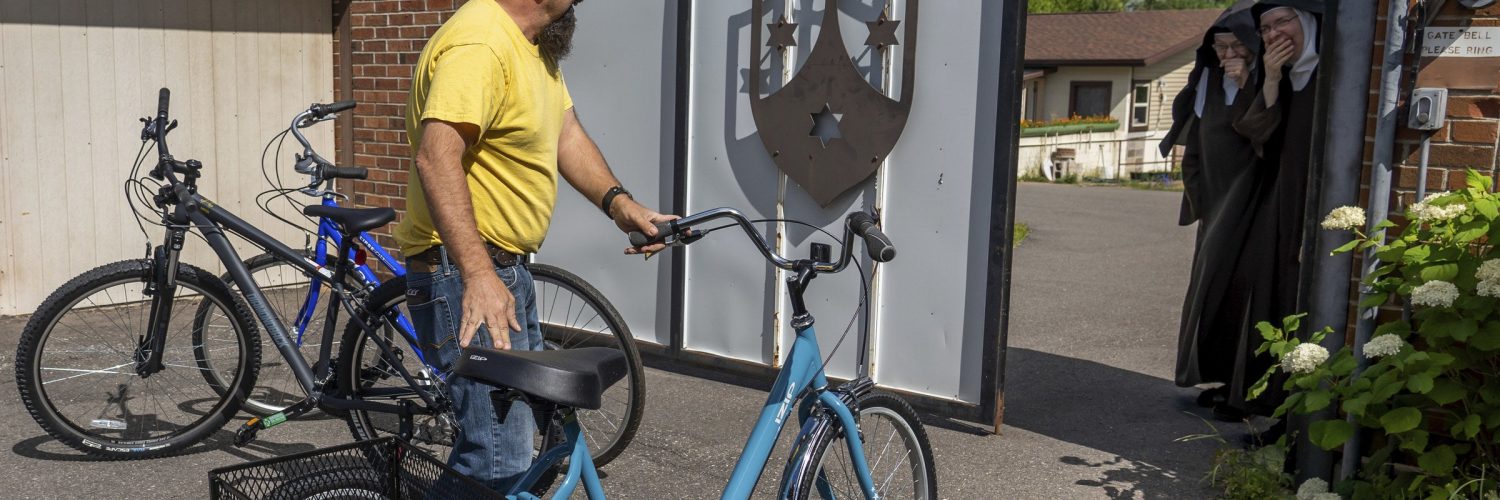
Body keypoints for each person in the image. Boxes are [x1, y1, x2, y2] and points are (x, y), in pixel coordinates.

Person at [393, 0, 672, 490]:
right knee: (496, 457)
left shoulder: (530, 47)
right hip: (463, 272)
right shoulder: (479, 43)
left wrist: (621, 205)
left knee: (523, 444)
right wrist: (478, 275)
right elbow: (437, 158)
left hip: (503, 272)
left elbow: (565, 134)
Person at [1163, 12, 1269, 420]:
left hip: (1253, 205)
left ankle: (1243, 392)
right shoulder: (1207, 80)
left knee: (1243, 295)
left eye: (1236, 45)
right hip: (1215, 205)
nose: (1228, 54)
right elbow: (1194, 145)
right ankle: (1218, 376)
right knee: (1211, 292)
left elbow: (1263, 133)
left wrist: (1246, 83)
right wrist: (1198, 198)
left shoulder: (1265, 81)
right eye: (1220, 47)